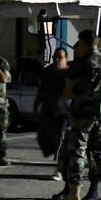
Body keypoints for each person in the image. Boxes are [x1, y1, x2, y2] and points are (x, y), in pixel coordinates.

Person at [59, 29, 101, 200]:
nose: (77, 47)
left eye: (79, 44)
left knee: (78, 153)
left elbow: (68, 92)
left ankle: (74, 194)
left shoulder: (79, 65)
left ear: (84, 43)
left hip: (82, 116)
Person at [34, 48, 69, 178]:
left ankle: (60, 170)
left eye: (60, 57)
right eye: (55, 57)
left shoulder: (69, 73)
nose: (56, 60)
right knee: (51, 142)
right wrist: (35, 106)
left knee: (61, 140)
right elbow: (41, 90)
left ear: (66, 59)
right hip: (49, 111)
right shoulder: (47, 72)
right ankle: (63, 166)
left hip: (65, 113)